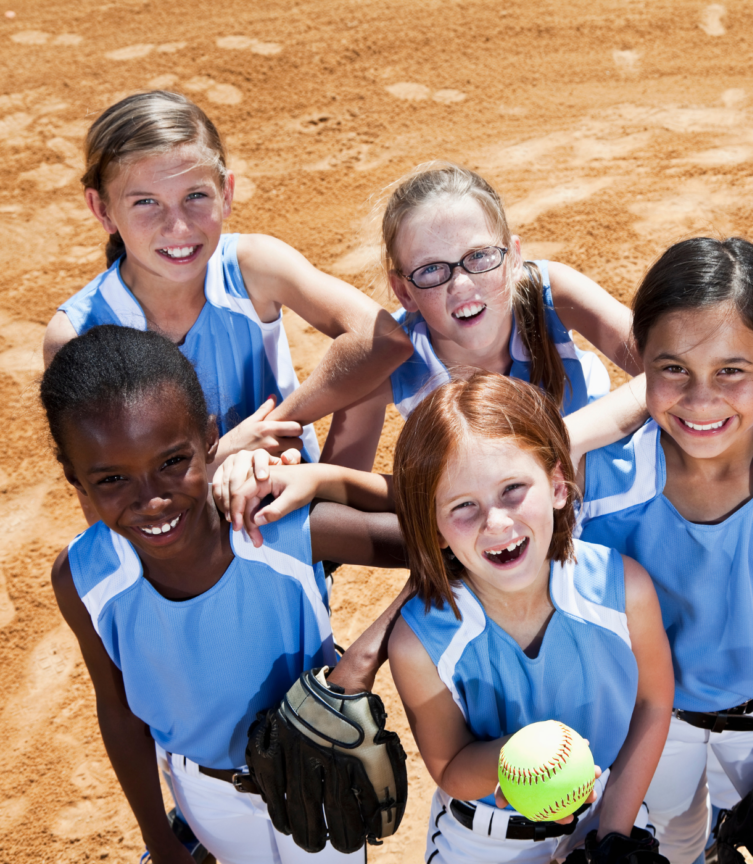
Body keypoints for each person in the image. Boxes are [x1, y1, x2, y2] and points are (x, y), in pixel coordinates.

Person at [43, 325, 406, 864]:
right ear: (75, 478)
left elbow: (450, 542)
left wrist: (363, 655)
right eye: (112, 479)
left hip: (317, 775)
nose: (152, 501)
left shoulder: (278, 527)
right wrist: (159, 840)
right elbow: (118, 713)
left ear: (210, 437)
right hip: (202, 795)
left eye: (172, 462)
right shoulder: (83, 579)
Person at [575, 238, 753, 864]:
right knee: (677, 844)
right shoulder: (596, 482)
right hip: (644, 729)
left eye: (732, 370)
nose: (702, 399)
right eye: (673, 367)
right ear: (642, 362)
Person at [42, 90, 411, 472]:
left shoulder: (252, 267)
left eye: (196, 195)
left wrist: (277, 426)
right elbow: (104, 488)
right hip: (171, 528)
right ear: (102, 210)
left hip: (287, 509)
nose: (178, 227)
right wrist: (223, 454)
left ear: (227, 193)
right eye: (146, 203)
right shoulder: (76, 336)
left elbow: (381, 339)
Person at [386, 373, 673, 864]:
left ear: (559, 485)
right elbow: (450, 765)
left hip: (606, 814)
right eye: (463, 506)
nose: (496, 522)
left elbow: (653, 701)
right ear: (433, 529)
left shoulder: (622, 589)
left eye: (513, 489)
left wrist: (612, 834)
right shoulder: (419, 641)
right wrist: (511, 761)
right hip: (482, 842)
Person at [317, 161, 641, 468]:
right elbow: (336, 498)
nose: (460, 284)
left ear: (514, 258)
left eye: (480, 256)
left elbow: (671, 373)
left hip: (589, 478)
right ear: (403, 291)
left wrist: (559, 444)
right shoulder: (388, 358)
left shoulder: (552, 292)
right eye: (430, 269)